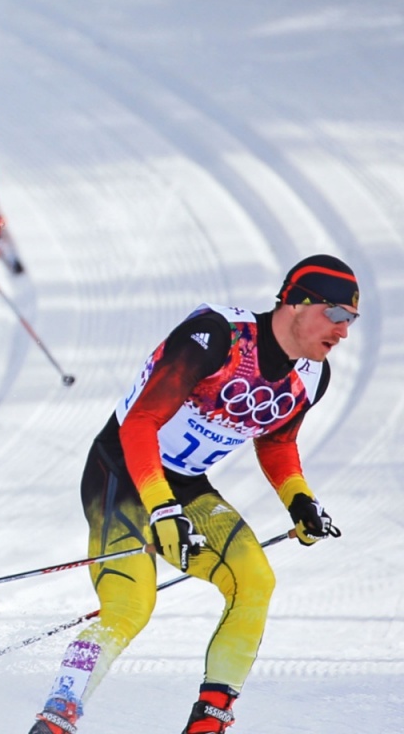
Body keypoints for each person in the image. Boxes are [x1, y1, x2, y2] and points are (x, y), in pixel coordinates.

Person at [28, 255, 355, 734]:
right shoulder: (217, 336)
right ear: (297, 303)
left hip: (186, 486)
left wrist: (299, 499)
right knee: (129, 607)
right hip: (120, 470)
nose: (344, 332)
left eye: (352, 321)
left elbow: (277, 441)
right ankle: (58, 714)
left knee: (254, 581)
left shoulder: (311, 377)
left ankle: (209, 723)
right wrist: (161, 507)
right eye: (337, 315)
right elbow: (140, 423)